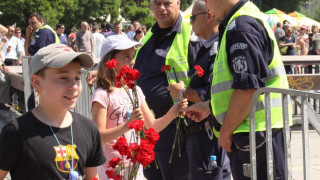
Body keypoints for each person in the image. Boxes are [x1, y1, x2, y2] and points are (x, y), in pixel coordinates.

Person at [184, 0, 290, 179]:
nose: (207, 7)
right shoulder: (240, 21)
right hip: (254, 131)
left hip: (255, 133)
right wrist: (211, 107)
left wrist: (225, 131)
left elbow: (247, 88)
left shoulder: (241, 26)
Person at [0, 44, 106, 179]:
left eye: (77, 78)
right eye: (63, 78)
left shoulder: (89, 128)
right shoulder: (17, 131)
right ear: (37, 83)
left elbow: (92, 177)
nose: (74, 86)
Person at [92, 35, 188, 180]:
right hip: (111, 170)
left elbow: (152, 126)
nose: (133, 62)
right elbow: (98, 137)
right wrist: (127, 126)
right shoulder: (102, 95)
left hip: (135, 167)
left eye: (133, 56)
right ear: (110, 61)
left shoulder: (135, 91)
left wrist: (174, 111)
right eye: (126, 57)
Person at [167, 1, 231, 179]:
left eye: (193, 18)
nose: (190, 23)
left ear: (209, 16)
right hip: (203, 131)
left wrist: (182, 93)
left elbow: (210, 91)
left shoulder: (216, 48)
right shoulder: (207, 47)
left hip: (209, 133)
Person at [133, 0, 193, 179]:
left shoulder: (191, 30)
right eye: (156, 3)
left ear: (178, 3)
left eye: (166, 3)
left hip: (177, 125)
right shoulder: (150, 34)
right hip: (149, 124)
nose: (161, 8)